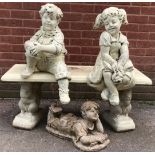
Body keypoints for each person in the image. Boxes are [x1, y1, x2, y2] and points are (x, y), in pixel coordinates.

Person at [21, 3, 70, 104]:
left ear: (57, 21)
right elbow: (30, 41)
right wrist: (29, 44)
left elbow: (57, 48)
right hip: (38, 63)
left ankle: (64, 92)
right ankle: (30, 67)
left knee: (62, 71)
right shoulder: (40, 32)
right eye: (45, 17)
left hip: (54, 63)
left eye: (51, 19)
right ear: (41, 18)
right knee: (31, 48)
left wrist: (41, 47)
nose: (48, 21)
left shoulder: (58, 34)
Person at [88, 7, 135, 106]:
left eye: (113, 22)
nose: (110, 26)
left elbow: (125, 53)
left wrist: (120, 64)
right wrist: (113, 63)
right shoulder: (105, 36)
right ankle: (114, 93)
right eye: (106, 24)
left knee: (126, 77)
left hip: (120, 60)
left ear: (121, 21)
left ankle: (108, 89)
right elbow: (104, 54)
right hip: (106, 60)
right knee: (107, 74)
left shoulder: (123, 38)